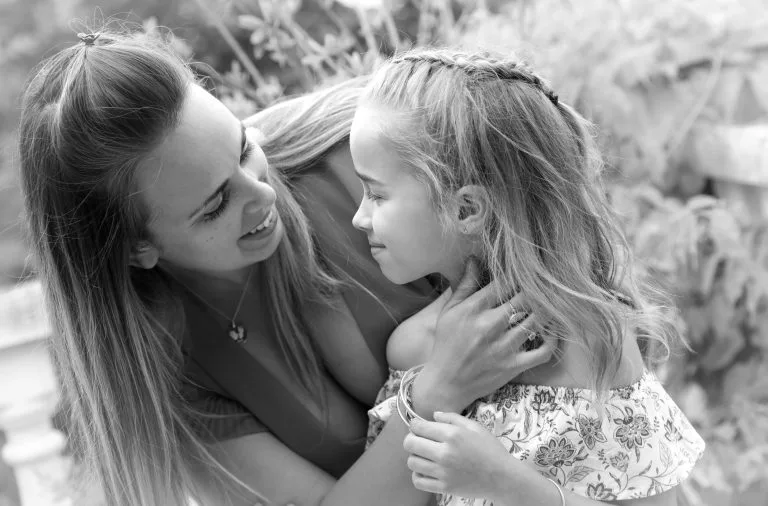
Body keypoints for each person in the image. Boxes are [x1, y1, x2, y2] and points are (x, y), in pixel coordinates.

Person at [18, 30, 556, 506]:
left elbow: (569, 287)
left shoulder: (360, 156)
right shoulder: (158, 364)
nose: (262, 193)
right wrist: (437, 393)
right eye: (214, 206)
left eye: (244, 147)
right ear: (137, 249)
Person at [353, 48, 705, 505]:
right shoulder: (413, 351)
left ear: (466, 209)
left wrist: (508, 483)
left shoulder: (589, 345)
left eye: (377, 195)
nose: (359, 217)